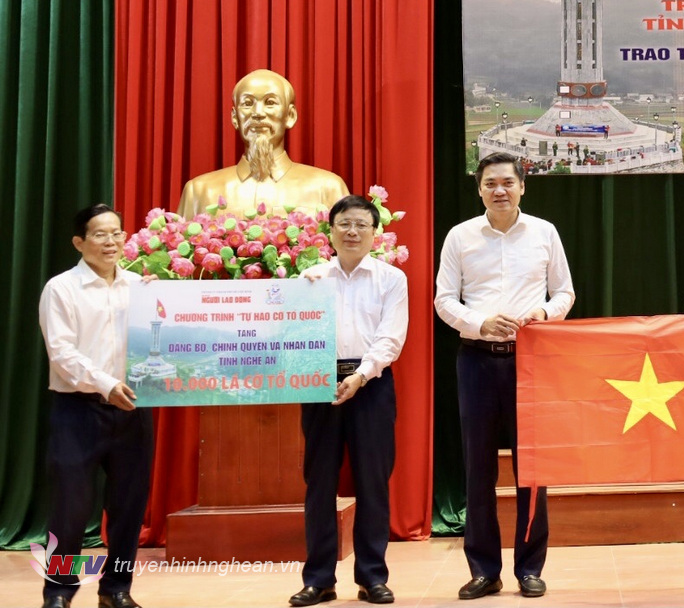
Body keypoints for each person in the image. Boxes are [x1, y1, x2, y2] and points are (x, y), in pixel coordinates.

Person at [434, 152, 575, 600]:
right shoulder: (460, 236)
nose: (499, 190)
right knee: (477, 468)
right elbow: (443, 300)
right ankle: (484, 570)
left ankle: (530, 568)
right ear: (479, 189)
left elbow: (565, 292)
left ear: (522, 187)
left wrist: (544, 313)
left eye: (507, 183)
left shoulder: (544, 232)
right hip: (475, 360)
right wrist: (480, 323)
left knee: (530, 467)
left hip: (531, 361)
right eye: (490, 183)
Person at [289, 195, 408, 606]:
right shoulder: (310, 278)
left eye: (361, 225)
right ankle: (319, 579)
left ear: (375, 233)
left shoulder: (391, 279)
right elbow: (295, 333)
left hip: (371, 385)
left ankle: (372, 577)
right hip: (318, 383)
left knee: (372, 482)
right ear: (331, 231)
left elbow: (391, 337)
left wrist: (360, 376)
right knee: (319, 482)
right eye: (344, 224)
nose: (352, 231)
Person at [38, 205, 155, 608]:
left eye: (117, 233)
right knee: (70, 509)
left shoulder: (140, 286)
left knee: (128, 507)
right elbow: (61, 353)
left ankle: (116, 589)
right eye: (100, 234)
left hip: (133, 409)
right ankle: (59, 591)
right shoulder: (61, 289)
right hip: (77, 410)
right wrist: (106, 384)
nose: (111, 242)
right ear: (79, 242)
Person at [177, 69, 349, 218]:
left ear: (290, 116)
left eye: (270, 103)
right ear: (235, 118)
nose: (258, 113)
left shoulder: (328, 188)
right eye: (247, 104)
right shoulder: (199, 191)